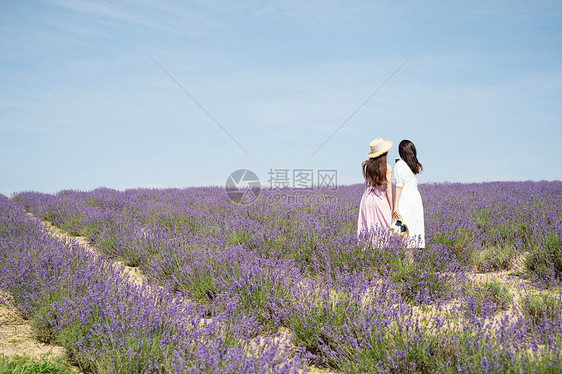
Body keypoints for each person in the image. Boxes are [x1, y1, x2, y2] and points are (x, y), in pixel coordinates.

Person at [357, 137, 394, 238]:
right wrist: (392, 208)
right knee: (385, 227)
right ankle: (383, 251)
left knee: (367, 226)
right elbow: (389, 189)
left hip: (367, 198)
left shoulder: (365, 165)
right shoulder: (387, 168)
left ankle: (368, 250)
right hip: (380, 199)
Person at [393, 140, 425, 248]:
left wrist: (395, 207)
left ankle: (405, 258)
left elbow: (399, 186)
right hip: (415, 196)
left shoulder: (400, 165)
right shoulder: (417, 166)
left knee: (403, 226)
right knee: (415, 226)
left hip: (405, 197)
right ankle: (411, 259)